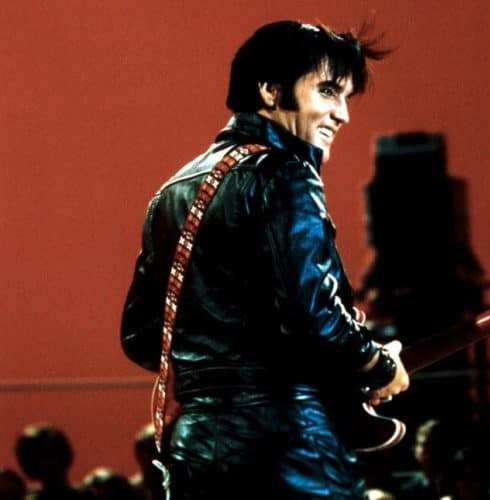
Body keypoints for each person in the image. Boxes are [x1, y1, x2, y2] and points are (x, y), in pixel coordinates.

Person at [120, 20, 409, 499]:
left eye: (345, 97)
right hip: (289, 442)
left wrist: (214, 376)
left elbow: (140, 336)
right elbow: (312, 310)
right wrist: (376, 364)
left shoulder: (170, 194)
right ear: (271, 90)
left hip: (196, 447)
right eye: (328, 91)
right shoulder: (286, 174)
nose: (342, 114)